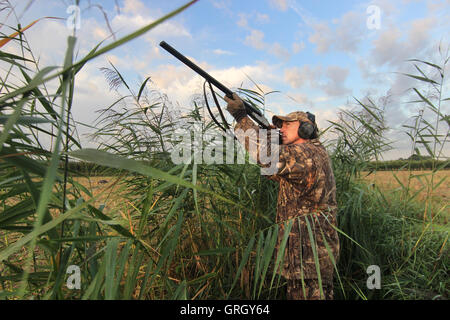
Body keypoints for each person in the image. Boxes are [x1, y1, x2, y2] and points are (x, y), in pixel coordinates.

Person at [224, 93, 340, 300]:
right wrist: (264, 134)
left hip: (309, 256)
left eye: (287, 125)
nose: (281, 129)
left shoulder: (308, 153)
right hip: (303, 256)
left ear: (306, 129)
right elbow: (272, 171)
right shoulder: (305, 155)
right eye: (280, 126)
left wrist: (242, 117)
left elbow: (266, 157)